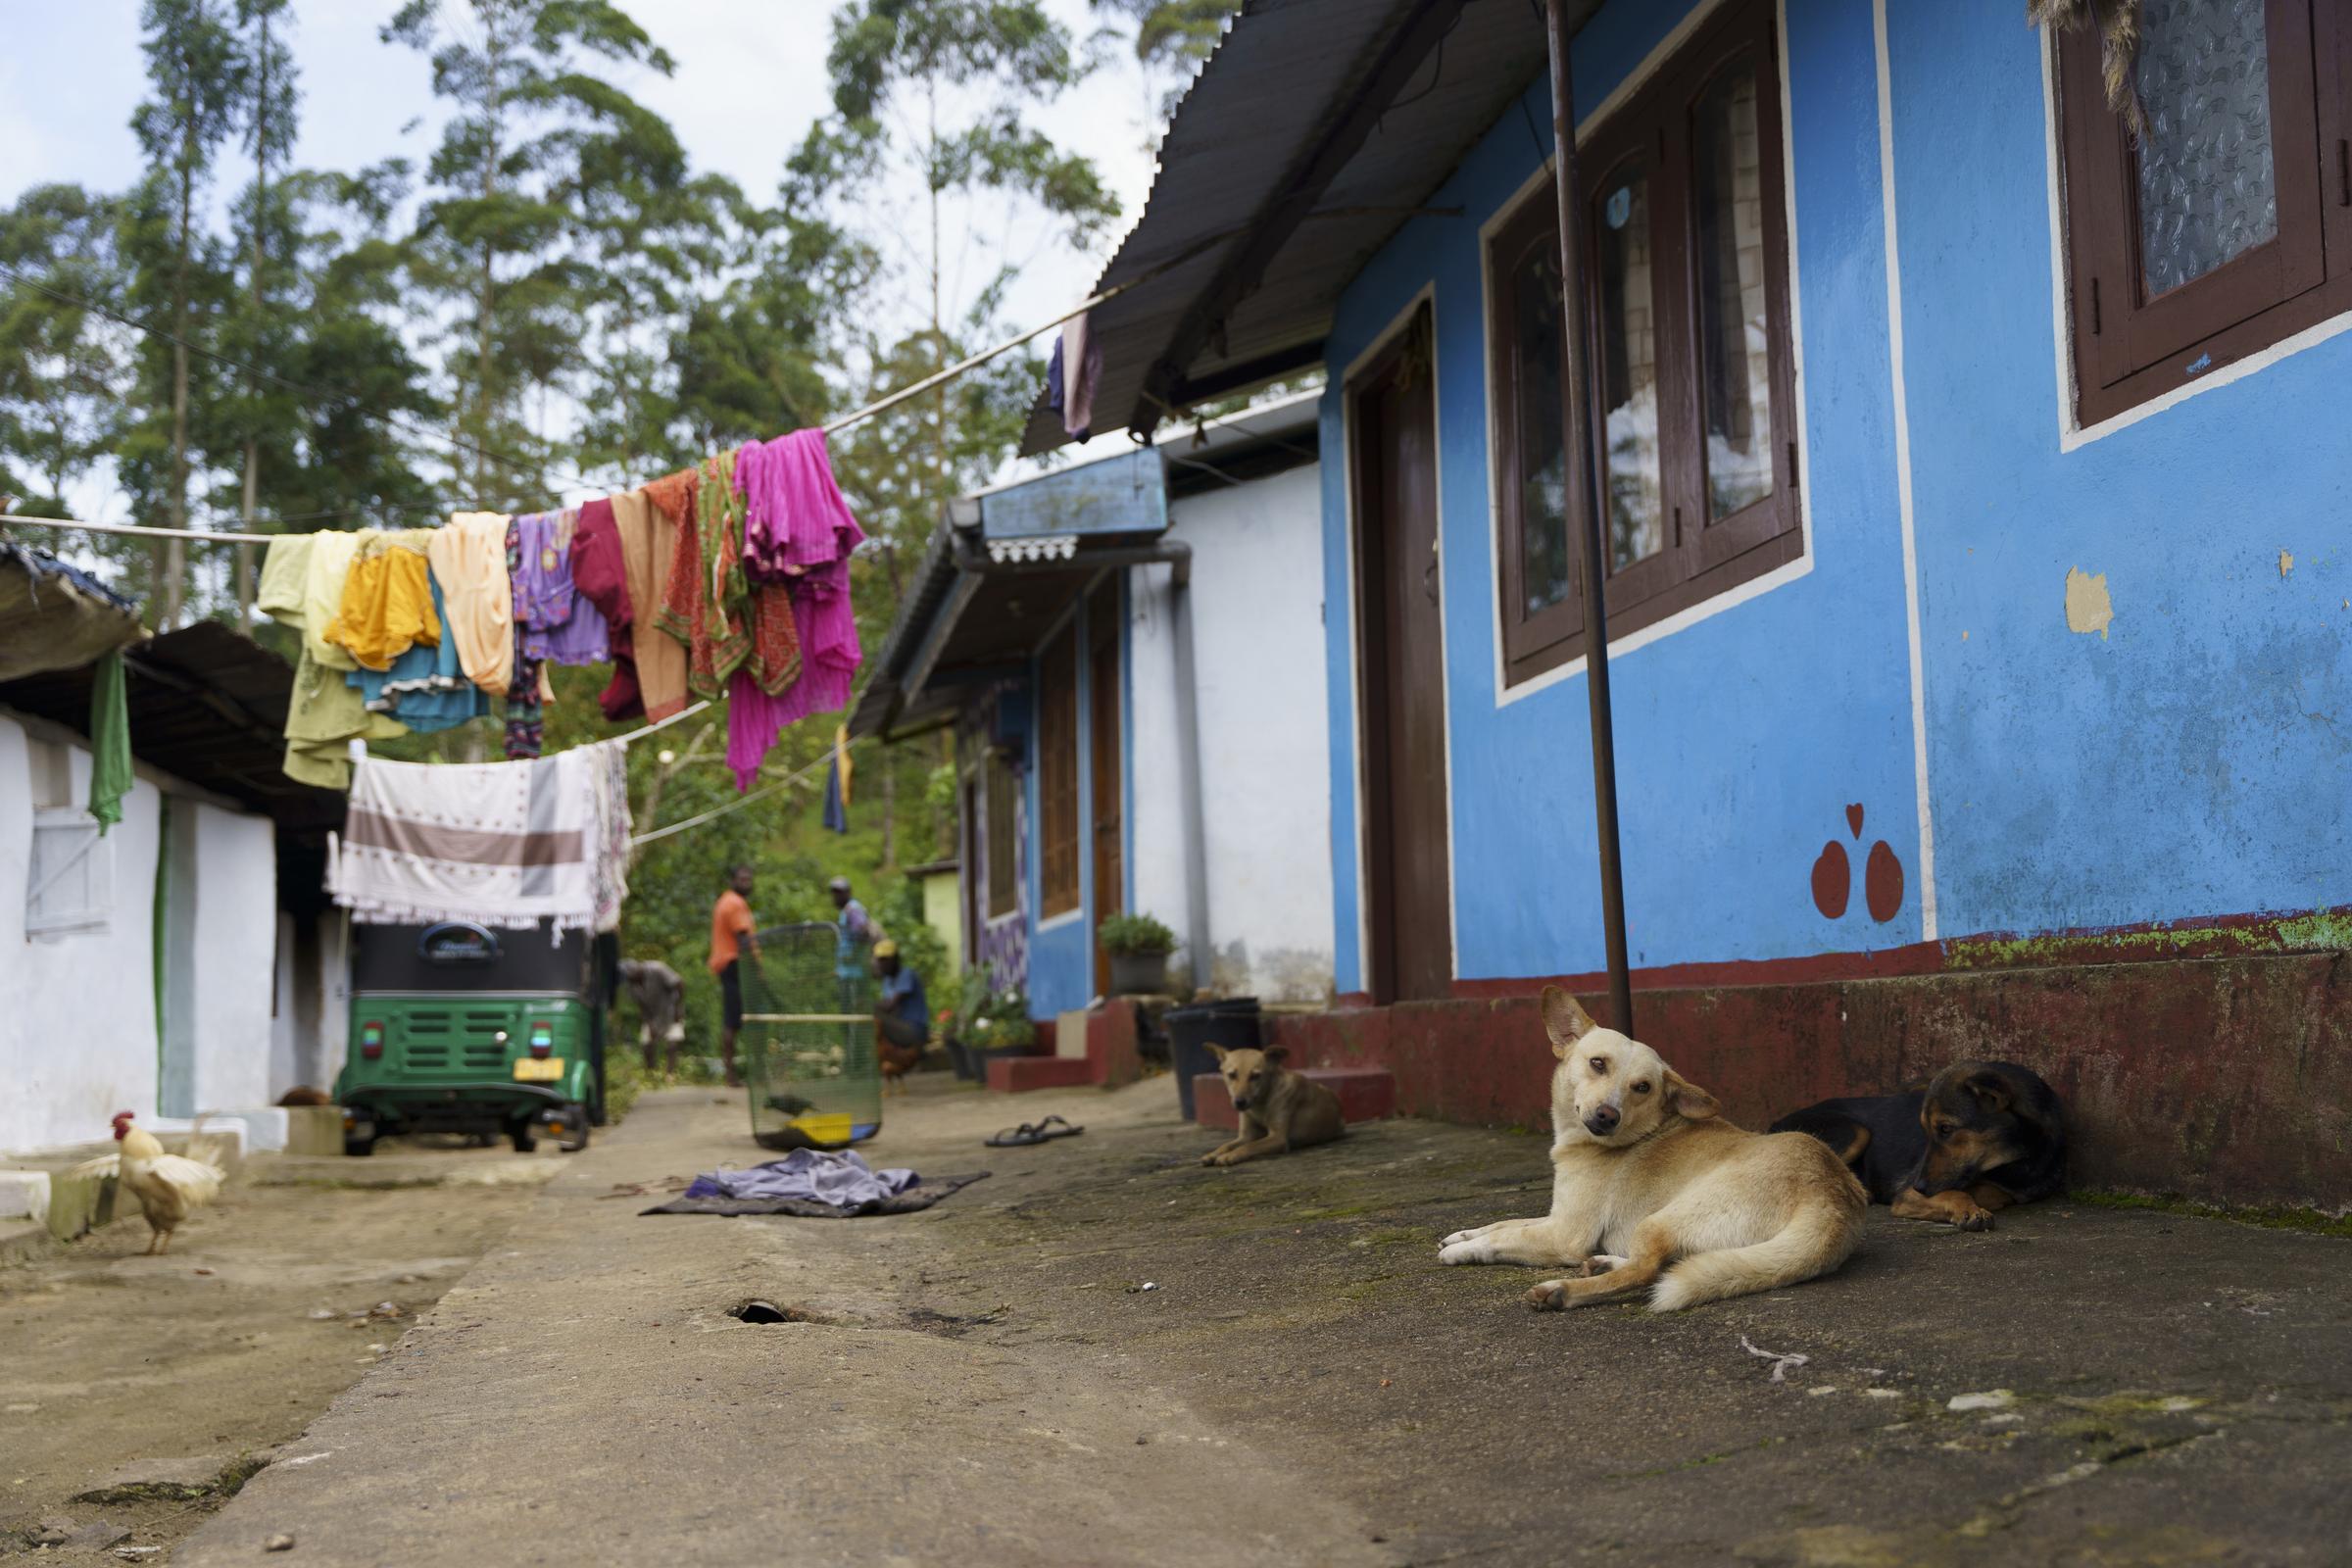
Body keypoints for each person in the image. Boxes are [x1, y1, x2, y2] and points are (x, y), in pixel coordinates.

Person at [710, 864, 758, 1088]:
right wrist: (757, 968)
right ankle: (734, 1075)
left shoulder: (726, 900)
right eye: (742, 879)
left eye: (749, 879)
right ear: (733, 880)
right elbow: (744, 939)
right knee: (735, 1019)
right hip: (734, 964)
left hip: (728, 964)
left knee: (735, 1019)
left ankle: (736, 1073)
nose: (746, 882)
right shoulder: (735, 904)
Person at [871, 939, 929, 1092]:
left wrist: (869, 1005)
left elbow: (891, 1005)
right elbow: (890, 1010)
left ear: (895, 959)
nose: (882, 964)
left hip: (914, 1030)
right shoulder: (887, 980)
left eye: (885, 960)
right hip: (899, 1027)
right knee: (874, 1021)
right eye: (879, 960)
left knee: (872, 1014)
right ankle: (889, 1064)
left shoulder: (907, 974)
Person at [617, 957, 686, 1078]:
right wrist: (650, 1024)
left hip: (671, 1008)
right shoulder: (631, 985)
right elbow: (641, 1006)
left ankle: (670, 1074)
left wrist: (677, 1008)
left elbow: (679, 983)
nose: (632, 980)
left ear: (637, 969)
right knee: (647, 1044)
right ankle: (651, 1074)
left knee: (672, 1043)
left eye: (633, 976)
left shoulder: (657, 968)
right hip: (652, 1014)